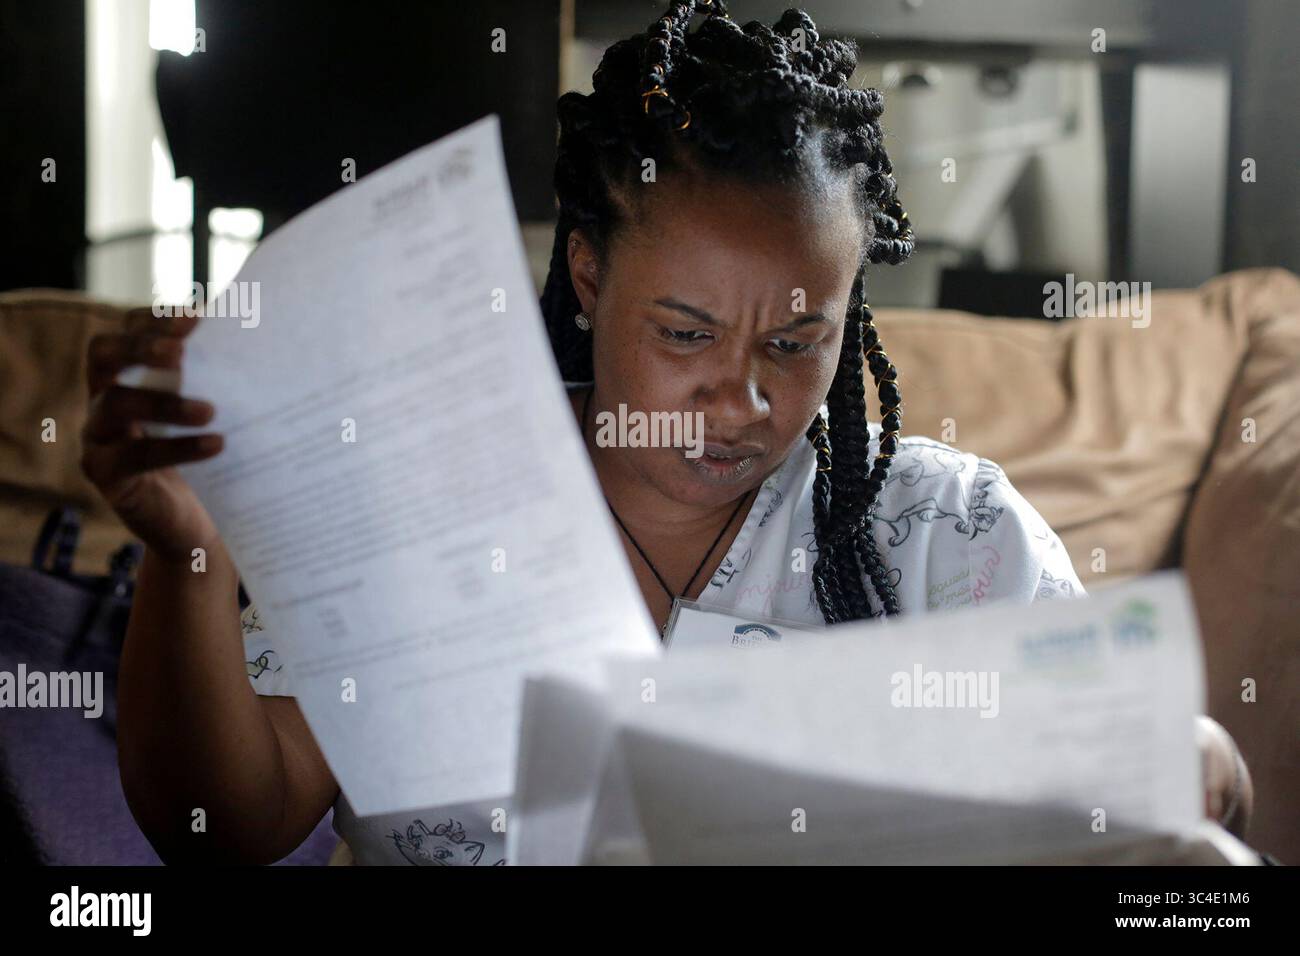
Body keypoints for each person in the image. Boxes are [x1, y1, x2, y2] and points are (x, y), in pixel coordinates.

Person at [84, 0, 1250, 865]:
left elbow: (1142, 764)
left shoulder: (947, 534)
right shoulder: (418, 501)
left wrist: (1183, 754)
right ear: (587, 275)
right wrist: (189, 553)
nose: (739, 402)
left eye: (796, 343)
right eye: (685, 333)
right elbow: (219, 827)